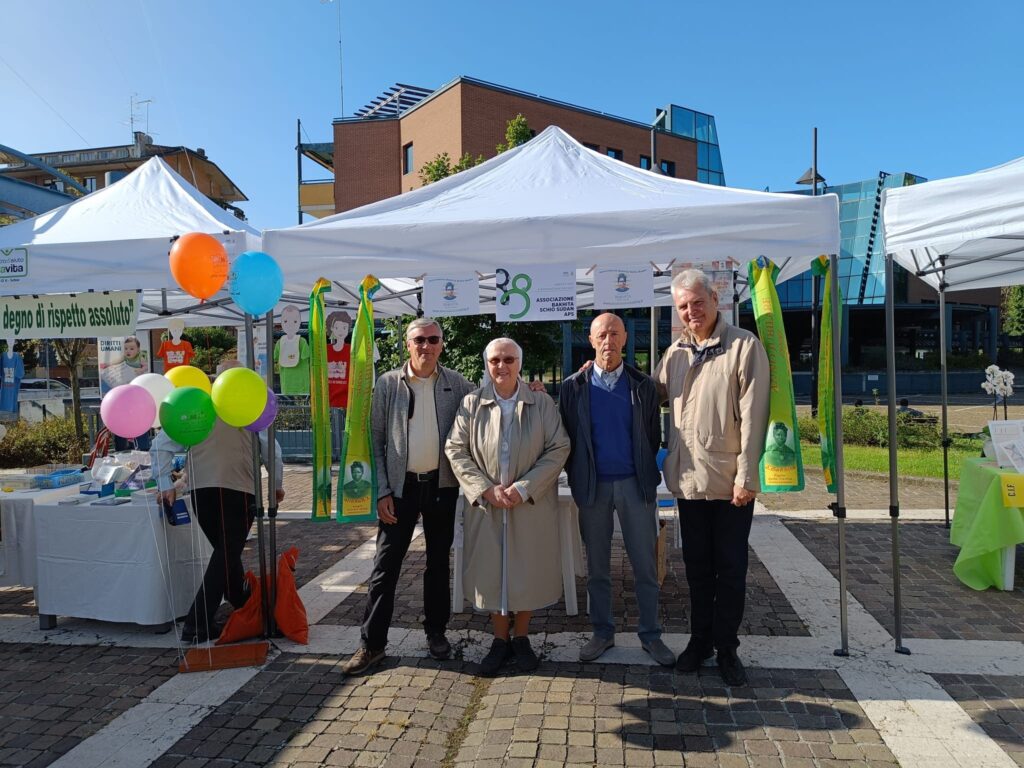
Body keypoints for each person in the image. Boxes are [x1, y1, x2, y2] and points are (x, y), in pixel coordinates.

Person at [340, 318, 476, 675]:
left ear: (442, 345)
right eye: (419, 340)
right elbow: (376, 439)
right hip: (400, 491)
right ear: (407, 344)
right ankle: (371, 644)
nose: (426, 346)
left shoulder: (457, 384)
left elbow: (488, 401)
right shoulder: (388, 384)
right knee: (385, 566)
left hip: (442, 487)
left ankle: (436, 633)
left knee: (437, 565)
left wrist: (532, 388)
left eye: (433, 339)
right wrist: (382, 490)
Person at [656, 268, 769, 686]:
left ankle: (727, 648)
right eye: (683, 307)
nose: (690, 312)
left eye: (696, 303)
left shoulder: (743, 347)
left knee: (731, 567)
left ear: (714, 299)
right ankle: (699, 640)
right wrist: (599, 370)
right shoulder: (677, 353)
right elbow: (651, 393)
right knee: (697, 568)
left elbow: (756, 417)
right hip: (688, 481)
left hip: (728, 483)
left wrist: (747, 476)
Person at [445, 338, 570, 676]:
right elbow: (456, 449)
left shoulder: (541, 404)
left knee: (526, 567)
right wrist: (484, 489)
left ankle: (522, 637)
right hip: (487, 505)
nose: (502, 366)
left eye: (509, 359)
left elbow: (559, 447)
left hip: (528, 503)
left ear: (520, 363)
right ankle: (499, 639)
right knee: (492, 570)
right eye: (496, 360)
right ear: (487, 364)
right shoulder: (471, 404)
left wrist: (524, 487)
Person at [559, 313, 674, 666]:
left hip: (635, 486)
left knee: (645, 566)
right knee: (597, 566)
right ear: (591, 341)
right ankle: (602, 632)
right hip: (593, 488)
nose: (608, 340)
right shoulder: (572, 386)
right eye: (601, 335)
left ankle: (651, 635)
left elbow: (653, 435)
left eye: (614, 334)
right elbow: (567, 437)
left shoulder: (644, 385)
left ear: (625, 339)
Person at [151, 360, 284, 643]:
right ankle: (197, 622)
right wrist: (275, 486)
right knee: (226, 554)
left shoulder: (199, 406)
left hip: (201, 492)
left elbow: (161, 444)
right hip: (239, 489)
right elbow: (271, 450)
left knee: (225, 553)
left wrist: (165, 484)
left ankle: (244, 602)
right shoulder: (248, 408)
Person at [326, 310, 352, 408]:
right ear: (332, 328)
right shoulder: (325, 351)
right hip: (327, 404)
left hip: (347, 404)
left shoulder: (351, 350)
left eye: (344, 328)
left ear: (348, 329)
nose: (341, 331)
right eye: (337, 327)